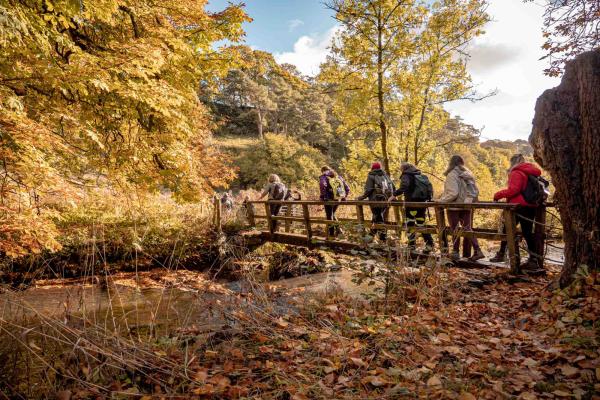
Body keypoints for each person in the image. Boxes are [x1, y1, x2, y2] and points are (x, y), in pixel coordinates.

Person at [492, 154, 542, 269]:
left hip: (517, 206)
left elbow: (513, 190)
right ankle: (533, 259)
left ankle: (502, 255)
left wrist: (498, 195)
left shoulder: (516, 172)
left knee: (507, 230)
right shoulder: (531, 172)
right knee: (528, 232)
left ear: (512, 162)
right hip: (531, 205)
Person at [438, 155, 484, 261]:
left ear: (451, 163)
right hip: (467, 204)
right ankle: (478, 250)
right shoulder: (468, 174)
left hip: (454, 206)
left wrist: (440, 201)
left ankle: (455, 252)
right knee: (467, 227)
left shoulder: (452, 175)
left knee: (455, 229)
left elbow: (453, 193)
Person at [389, 162, 435, 253]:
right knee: (421, 223)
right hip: (422, 203)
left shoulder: (406, 175)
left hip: (411, 204)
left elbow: (404, 187)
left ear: (403, 169)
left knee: (410, 223)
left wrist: (394, 195)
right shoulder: (419, 174)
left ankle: (411, 246)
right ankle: (430, 244)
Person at [357, 162, 395, 241]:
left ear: (372, 168)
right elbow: (393, 187)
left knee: (378, 218)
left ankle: (382, 238)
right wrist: (392, 197)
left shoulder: (371, 175)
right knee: (377, 217)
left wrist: (362, 197)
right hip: (385, 200)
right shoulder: (385, 175)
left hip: (375, 201)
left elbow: (369, 189)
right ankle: (371, 236)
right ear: (380, 167)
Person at [319, 166, 350, 237]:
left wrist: (323, 196)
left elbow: (322, 185)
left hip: (329, 199)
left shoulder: (324, 177)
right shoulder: (337, 176)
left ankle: (332, 235)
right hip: (337, 199)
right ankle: (339, 230)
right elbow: (347, 188)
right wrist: (343, 197)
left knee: (329, 216)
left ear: (323, 171)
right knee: (332, 214)